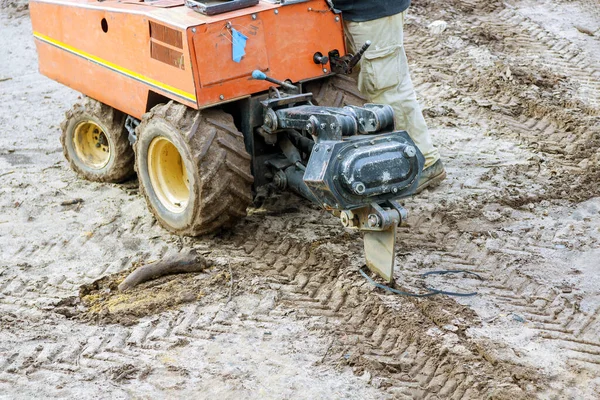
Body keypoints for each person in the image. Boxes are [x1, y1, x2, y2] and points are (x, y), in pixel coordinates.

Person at [332, 0, 446, 193]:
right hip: (346, 11)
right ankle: (386, 154)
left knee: (388, 89)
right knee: (361, 82)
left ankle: (424, 161)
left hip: (373, 11)